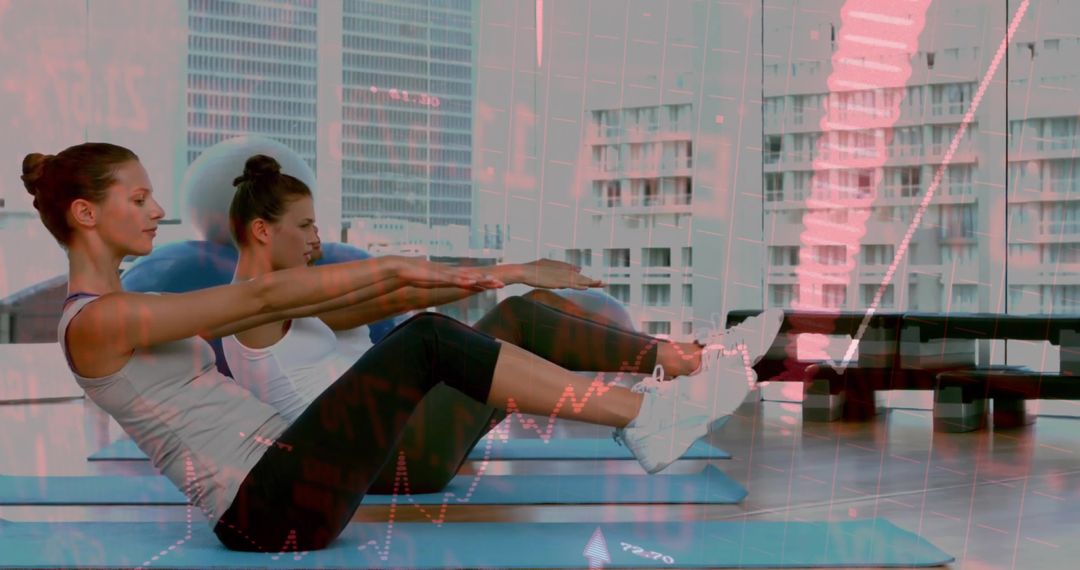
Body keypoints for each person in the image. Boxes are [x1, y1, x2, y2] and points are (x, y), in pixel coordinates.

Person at [26, 142, 766, 552]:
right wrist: (416, 272)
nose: (157, 210)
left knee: (431, 339)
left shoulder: (134, 307)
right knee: (427, 344)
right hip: (264, 506)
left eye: (156, 195)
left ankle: (652, 403)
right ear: (86, 214)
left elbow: (333, 298)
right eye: (137, 199)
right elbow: (260, 297)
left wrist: (476, 277)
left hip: (289, 479)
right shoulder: (95, 322)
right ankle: (644, 414)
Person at [220, 155, 785, 493]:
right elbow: (390, 280)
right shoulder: (256, 303)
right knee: (513, 316)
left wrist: (512, 276)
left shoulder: (296, 302)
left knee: (533, 305)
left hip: (405, 437)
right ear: (263, 231)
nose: (316, 238)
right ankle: (674, 378)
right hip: (390, 460)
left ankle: (681, 367)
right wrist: (507, 271)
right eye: (305, 225)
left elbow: (397, 289)